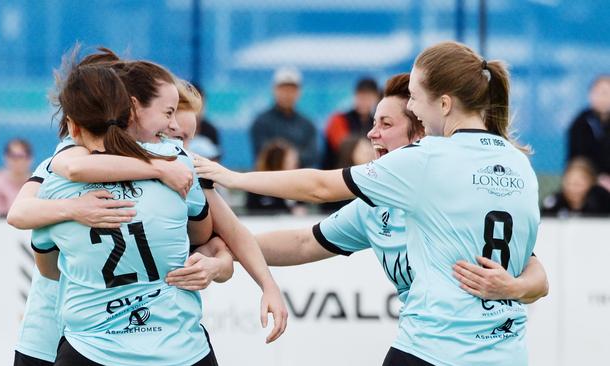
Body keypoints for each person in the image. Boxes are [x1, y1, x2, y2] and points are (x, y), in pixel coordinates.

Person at [195, 42, 542, 365]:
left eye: (416, 102)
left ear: (445, 105)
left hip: (435, 349)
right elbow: (303, 243)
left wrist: (233, 177)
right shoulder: (517, 164)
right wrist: (232, 246)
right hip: (506, 354)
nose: (373, 133)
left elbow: (318, 186)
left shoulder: (428, 158)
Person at [9, 49, 286, 365]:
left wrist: (218, 262)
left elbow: (220, 240)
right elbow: (21, 212)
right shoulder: (165, 166)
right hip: (57, 332)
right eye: (169, 121)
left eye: (184, 137)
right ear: (131, 110)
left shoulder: (176, 168)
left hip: (99, 343)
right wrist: (75, 209)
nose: (177, 142)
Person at [250, 66, 318, 168]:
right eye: (283, 89)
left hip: (299, 178)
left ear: (299, 92)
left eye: (291, 90)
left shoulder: (307, 124)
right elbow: (262, 151)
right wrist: (286, 156)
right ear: (274, 90)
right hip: (268, 178)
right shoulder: (261, 121)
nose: (287, 94)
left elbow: (313, 154)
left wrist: (295, 157)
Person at [322, 77, 380, 170]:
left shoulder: (377, 122)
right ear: (355, 96)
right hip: (338, 170)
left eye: (369, 97)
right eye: (361, 96)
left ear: (376, 98)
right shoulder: (339, 119)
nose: (364, 101)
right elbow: (344, 147)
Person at [567, 75, 610, 192]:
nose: (603, 98)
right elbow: (576, 159)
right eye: (599, 93)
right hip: (589, 179)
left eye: (606, 93)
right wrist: (596, 178)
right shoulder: (580, 123)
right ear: (591, 95)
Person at [0, 139, 33, 216]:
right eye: (12, 156)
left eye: (20, 156)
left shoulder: (36, 183)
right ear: (5, 158)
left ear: (30, 159)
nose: (16, 161)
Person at [542, 157, 610, 217]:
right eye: (569, 183)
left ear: (591, 183)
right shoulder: (554, 204)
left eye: (578, 184)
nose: (573, 189)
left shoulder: (602, 203)